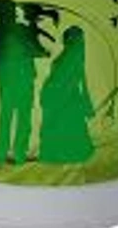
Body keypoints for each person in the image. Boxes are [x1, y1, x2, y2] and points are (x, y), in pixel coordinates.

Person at [0, 0, 50, 164]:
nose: (13, 15)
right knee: (16, 115)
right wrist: (2, 75)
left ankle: (11, 152)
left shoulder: (0, 32)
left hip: (20, 79)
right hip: (17, 79)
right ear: (0, 13)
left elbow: (34, 48)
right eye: (10, 12)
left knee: (15, 115)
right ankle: (11, 153)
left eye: (13, 12)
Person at [39, 26, 95, 163]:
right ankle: (60, 155)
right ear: (69, 41)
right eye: (78, 40)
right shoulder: (70, 58)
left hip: (60, 96)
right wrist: (85, 105)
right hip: (57, 96)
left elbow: (80, 82)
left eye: (81, 40)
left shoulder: (73, 56)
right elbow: (71, 84)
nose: (81, 43)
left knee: (67, 123)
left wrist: (86, 104)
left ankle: (63, 154)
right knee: (64, 123)